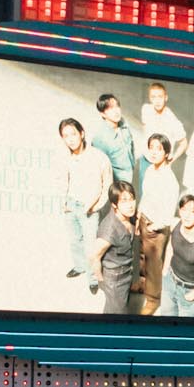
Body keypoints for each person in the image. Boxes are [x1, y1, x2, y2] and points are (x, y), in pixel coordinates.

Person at [57, 117, 113, 279]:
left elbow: (108, 185)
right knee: (75, 240)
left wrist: (96, 206)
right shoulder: (65, 158)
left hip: (89, 207)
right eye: (65, 136)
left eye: (73, 134)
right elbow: (62, 180)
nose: (70, 139)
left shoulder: (99, 157)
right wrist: (64, 202)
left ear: (82, 133)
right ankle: (80, 266)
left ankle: (93, 277)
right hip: (71, 206)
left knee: (91, 245)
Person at [136, 133, 182, 314]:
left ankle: (153, 300)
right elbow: (145, 196)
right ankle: (142, 284)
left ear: (167, 153)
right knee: (142, 258)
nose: (154, 152)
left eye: (159, 149)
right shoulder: (149, 170)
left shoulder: (170, 180)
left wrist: (154, 226)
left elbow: (169, 212)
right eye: (151, 148)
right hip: (144, 220)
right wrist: (139, 214)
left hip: (157, 227)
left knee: (154, 265)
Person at [86, 181, 141, 314]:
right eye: (124, 201)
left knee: (118, 307)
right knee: (117, 314)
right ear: (114, 205)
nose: (130, 205)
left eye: (132, 199)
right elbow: (93, 256)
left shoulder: (130, 215)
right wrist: (101, 280)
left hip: (127, 271)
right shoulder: (109, 229)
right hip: (115, 279)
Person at [89, 93, 137, 185]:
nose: (116, 111)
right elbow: (99, 168)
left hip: (133, 178)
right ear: (102, 114)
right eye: (110, 108)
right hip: (118, 185)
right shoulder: (100, 139)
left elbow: (131, 149)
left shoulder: (124, 125)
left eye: (117, 106)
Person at [140, 82, 186, 165]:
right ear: (150, 98)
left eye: (160, 97)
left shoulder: (173, 120)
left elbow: (184, 143)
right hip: (146, 159)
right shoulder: (146, 109)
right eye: (154, 97)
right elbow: (145, 127)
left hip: (162, 163)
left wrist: (172, 159)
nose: (157, 101)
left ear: (166, 97)